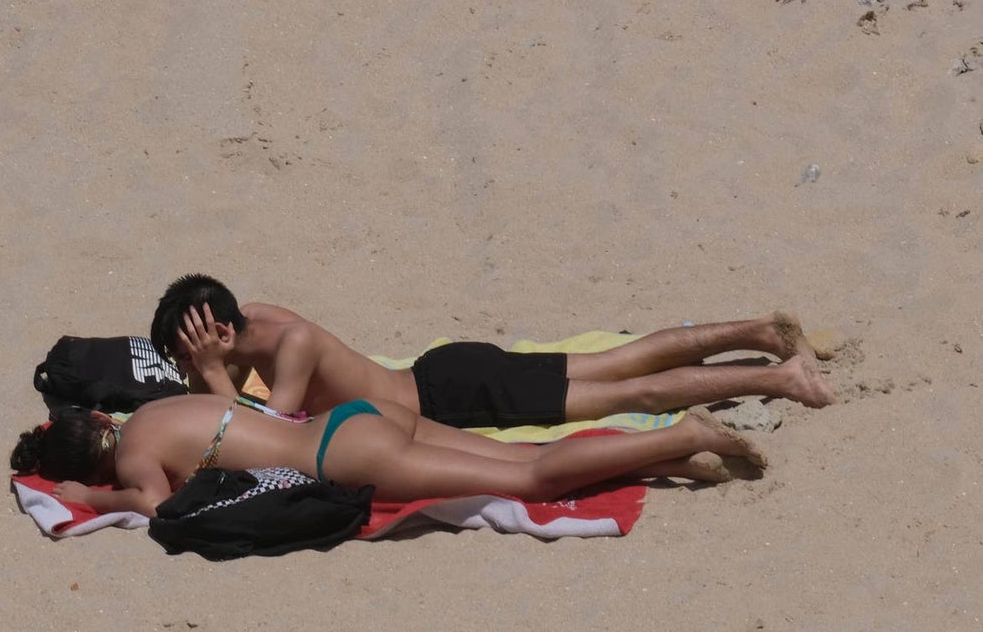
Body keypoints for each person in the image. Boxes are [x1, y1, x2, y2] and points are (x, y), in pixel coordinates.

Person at [148, 274, 836, 429]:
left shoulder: (289, 348)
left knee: (632, 392)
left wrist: (210, 375)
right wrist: (215, 366)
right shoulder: (260, 314)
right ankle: (759, 330)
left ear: (222, 333)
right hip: (448, 370)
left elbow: (258, 436)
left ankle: (780, 377)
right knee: (621, 360)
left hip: (455, 395)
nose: (187, 366)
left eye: (191, 349)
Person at [11, 393, 768, 517]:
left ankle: (686, 435)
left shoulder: (132, 456)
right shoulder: (150, 410)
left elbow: (157, 505)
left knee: (528, 481)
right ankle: (666, 458)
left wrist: (93, 498)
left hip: (345, 453)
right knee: (529, 454)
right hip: (354, 415)